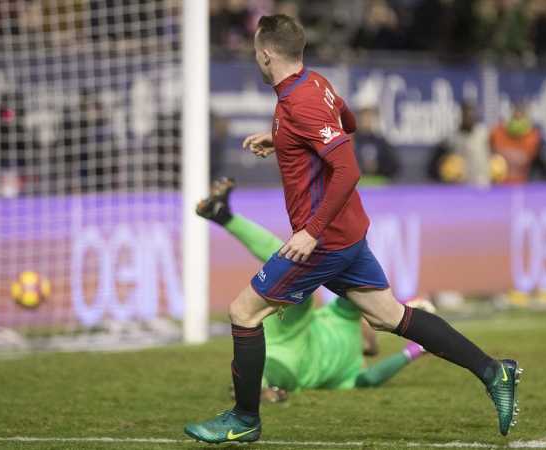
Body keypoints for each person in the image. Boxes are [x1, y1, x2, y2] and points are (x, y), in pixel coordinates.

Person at [184, 14, 521, 444]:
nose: (256, 56)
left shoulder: (298, 102)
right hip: (348, 234)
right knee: (388, 316)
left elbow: (347, 168)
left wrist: (311, 230)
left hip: (324, 240)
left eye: (255, 51)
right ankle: (495, 371)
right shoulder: (314, 84)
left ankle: (244, 417)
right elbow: (348, 123)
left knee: (244, 312)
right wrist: (285, 140)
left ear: (266, 54)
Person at [197, 178, 426, 400]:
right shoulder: (345, 326)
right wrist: (407, 312)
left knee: (278, 368)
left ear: (368, 346)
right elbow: (368, 295)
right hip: (293, 331)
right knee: (295, 273)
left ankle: (255, 386)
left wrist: (413, 350)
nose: (370, 323)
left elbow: (370, 378)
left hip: (288, 359)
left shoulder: (352, 362)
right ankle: (222, 215)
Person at [428, 101, 491, 187]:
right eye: (465, 114)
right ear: (460, 116)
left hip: (482, 183)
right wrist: (446, 172)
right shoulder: (452, 138)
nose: (468, 117)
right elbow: (436, 165)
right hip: (459, 186)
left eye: (471, 114)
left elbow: (495, 159)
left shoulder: (484, 134)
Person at [489, 102, 543, 184]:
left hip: (524, 186)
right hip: (499, 187)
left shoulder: (533, 137)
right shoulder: (497, 133)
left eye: (520, 117)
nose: (517, 122)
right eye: (514, 117)